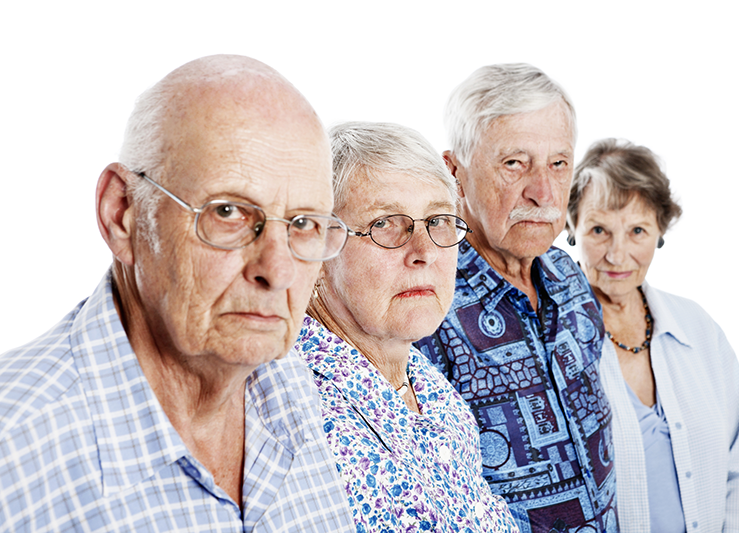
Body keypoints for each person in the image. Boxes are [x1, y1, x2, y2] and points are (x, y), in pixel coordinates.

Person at [0, 55, 356, 532]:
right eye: (227, 212)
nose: (278, 270)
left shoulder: (290, 384)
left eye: (303, 224)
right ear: (122, 213)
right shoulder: (15, 449)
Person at [415, 64, 617, 532]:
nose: (543, 192)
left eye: (559, 163)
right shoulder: (425, 303)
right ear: (453, 172)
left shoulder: (570, 279)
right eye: (514, 163)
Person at [295, 121, 519, 532]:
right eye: (385, 223)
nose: (424, 252)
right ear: (317, 245)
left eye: (438, 221)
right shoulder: (293, 409)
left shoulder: (433, 390)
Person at [566, 138, 739, 532]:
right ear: (571, 228)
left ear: (660, 231)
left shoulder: (699, 329)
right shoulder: (552, 340)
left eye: (637, 230)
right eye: (599, 230)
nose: (617, 254)